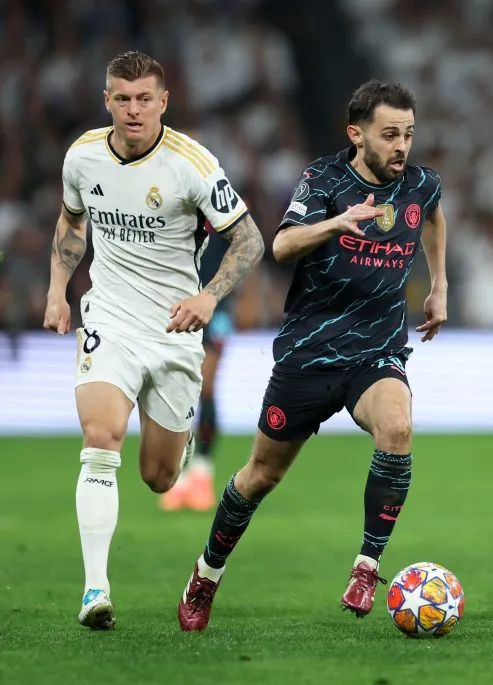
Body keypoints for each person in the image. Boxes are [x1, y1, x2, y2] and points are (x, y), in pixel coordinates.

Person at [176, 79, 448, 632]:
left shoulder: (420, 184)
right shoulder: (324, 179)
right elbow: (280, 245)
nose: (402, 146)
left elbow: (434, 216)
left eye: (409, 135)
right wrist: (336, 223)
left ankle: (367, 568)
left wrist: (439, 283)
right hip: (308, 352)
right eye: (390, 134)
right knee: (259, 476)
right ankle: (206, 573)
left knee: (396, 429)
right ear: (357, 134)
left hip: (376, 351)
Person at [43, 51, 264, 630]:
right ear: (107, 100)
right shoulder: (83, 157)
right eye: (122, 98)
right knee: (100, 437)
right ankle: (95, 590)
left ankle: (178, 439)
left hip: (174, 331)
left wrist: (210, 296)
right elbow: (71, 224)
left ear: (163, 102)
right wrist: (57, 290)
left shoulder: (192, 164)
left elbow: (248, 239)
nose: (133, 109)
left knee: (159, 477)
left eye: (145, 99)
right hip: (108, 318)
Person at [160, 227, 236, 512]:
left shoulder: (223, 209)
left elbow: (245, 250)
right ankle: (179, 477)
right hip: (179, 305)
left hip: (218, 308)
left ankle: (202, 473)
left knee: (206, 387)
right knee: (180, 389)